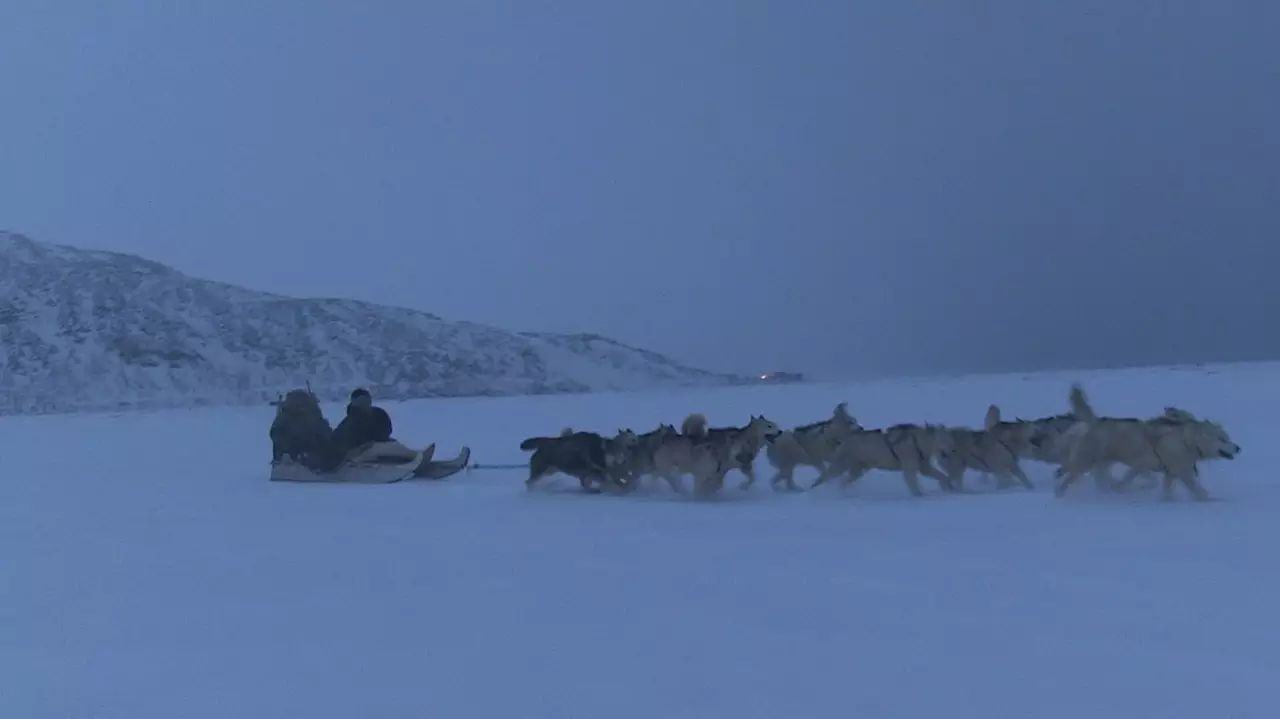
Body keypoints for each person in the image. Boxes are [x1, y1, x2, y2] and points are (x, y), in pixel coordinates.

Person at [332, 388, 394, 454]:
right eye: (362, 401)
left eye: (365, 401)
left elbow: (335, 440)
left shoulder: (349, 421)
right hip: (377, 453)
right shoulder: (380, 413)